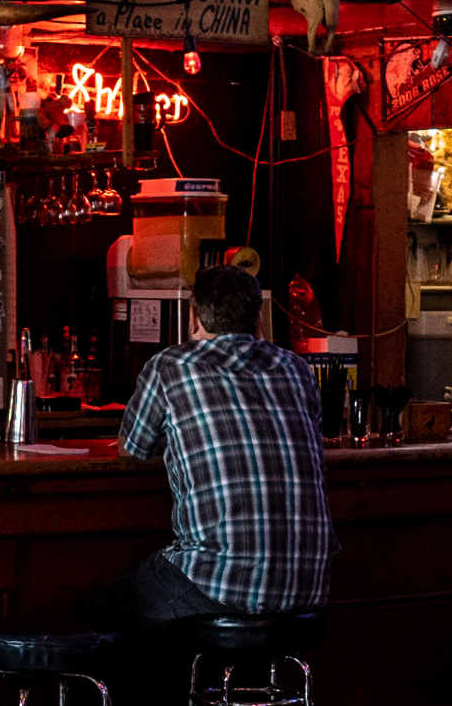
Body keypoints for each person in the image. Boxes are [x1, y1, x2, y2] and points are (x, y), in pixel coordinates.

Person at [104, 264, 330, 624]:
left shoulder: (170, 366)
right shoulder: (296, 369)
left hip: (218, 587)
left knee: (104, 603)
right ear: (258, 318)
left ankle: (174, 683)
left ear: (194, 316)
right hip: (308, 590)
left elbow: (131, 449)